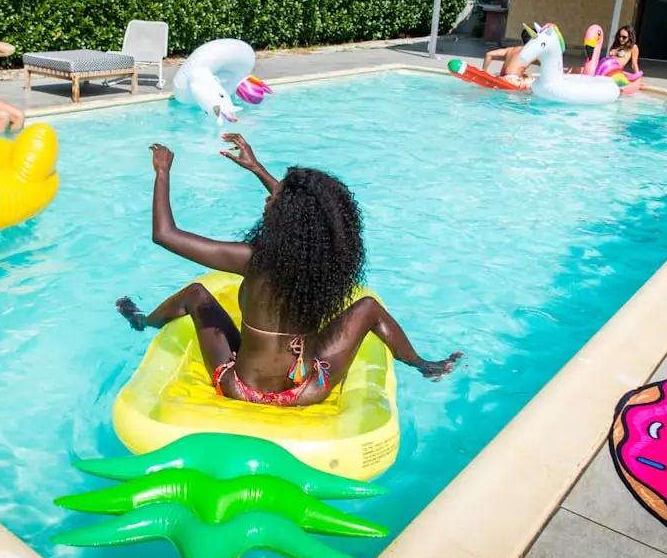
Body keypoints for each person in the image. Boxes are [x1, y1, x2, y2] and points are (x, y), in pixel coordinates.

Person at [115, 134, 463, 407]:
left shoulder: (253, 259)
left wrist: (162, 172)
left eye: (274, 202)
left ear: (287, 219)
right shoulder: (328, 262)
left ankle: (142, 322)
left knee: (195, 294)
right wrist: (256, 168)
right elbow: (312, 213)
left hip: (239, 389)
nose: (269, 200)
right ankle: (423, 365)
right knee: (368, 308)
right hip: (309, 389)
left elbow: (165, 234)